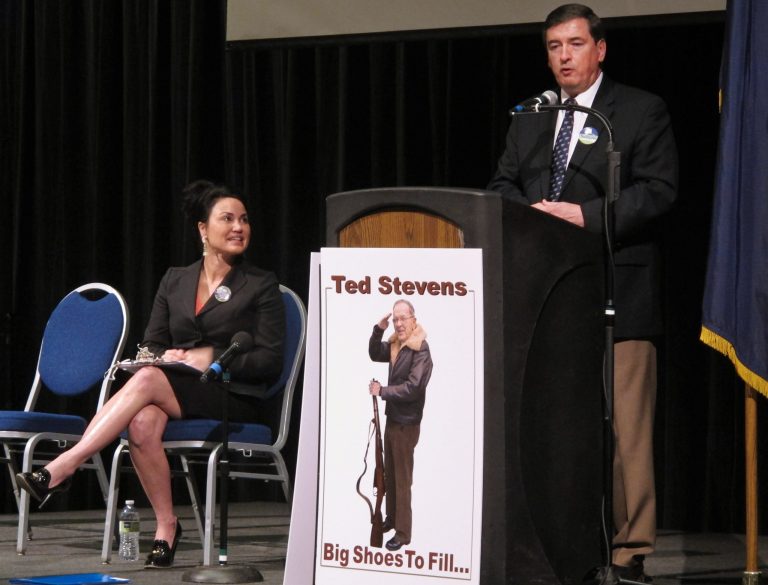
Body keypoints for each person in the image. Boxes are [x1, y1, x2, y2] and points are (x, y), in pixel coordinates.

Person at [488, 4, 677, 582]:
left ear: (600, 49)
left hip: (619, 288)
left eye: (573, 44)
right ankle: (557, 544)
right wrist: (534, 215)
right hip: (543, 299)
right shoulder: (530, 119)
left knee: (626, 431)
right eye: (553, 47)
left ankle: (629, 552)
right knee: (552, 426)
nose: (563, 57)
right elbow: (499, 186)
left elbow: (660, 190)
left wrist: (585, 215)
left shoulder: (638, 112)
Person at [16, 180, 285, 569]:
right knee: (141, 422)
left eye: (244, 220)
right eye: (227, 218)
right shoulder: (175, 279)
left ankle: (64, 466)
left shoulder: (261, 284)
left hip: (232, 393)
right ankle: (166, 526)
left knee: (144, 380)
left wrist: (209, 356)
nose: (239, 227)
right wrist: (171, 356)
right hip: (177, 388)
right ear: (203, 229)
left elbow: (270, 361)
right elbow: (152, 344)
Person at [368, 299, 433, 552]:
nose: (398, 323)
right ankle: (392, 519)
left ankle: (403, 533)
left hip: (406, 424)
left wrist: (382, 391)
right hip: (393, 419)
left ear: (413, 319)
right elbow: (375, 353)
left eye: (402, 318)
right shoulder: (397, 344)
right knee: (389, 475)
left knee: (402, 480)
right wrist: (378, 329)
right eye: (395, 319)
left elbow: (414, 388)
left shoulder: (420, 350)